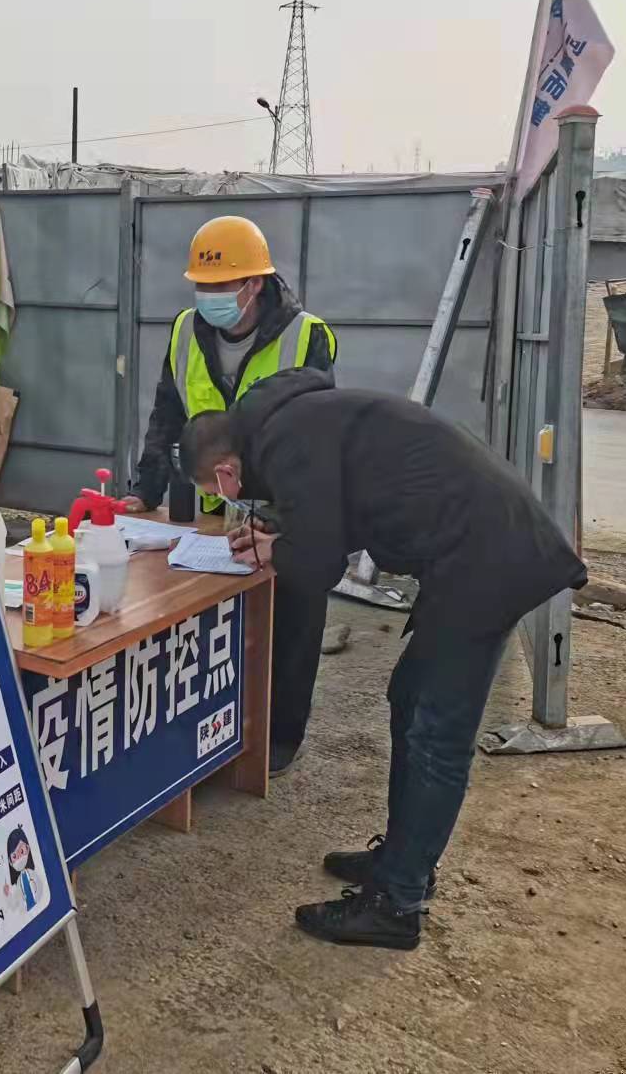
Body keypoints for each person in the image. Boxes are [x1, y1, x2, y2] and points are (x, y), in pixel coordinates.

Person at [179, 370, 584, 949]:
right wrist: (281, 535)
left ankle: (398, 904)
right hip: (476, 545)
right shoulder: (296, 422)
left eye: (218, 491)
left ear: (225, 472)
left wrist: (278, 551)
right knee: (409, 698)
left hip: (489, 556)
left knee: (436, 731)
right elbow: (340, 513)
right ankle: (402, 859)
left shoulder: (285, 438)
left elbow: (319, 565)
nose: (229, 500)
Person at [124, 214, 337, 774]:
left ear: (254, 284)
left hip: (282, 501)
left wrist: (285, 516)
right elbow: (166, 413)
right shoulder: (185, 331)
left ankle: (280, 736)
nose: (210, 296)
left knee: (292, 614)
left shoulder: (306, 335)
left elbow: (318, 434)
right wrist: (145, 490)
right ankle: (214, 729)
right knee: (205, 615)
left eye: (222, 285)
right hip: (211, 505)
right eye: (203, 284)